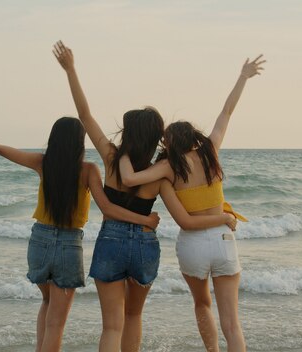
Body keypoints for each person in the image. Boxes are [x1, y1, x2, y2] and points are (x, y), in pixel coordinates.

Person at [53, 41, 237, 352]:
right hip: (144, 244)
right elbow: (183, 210)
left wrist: (71, 70)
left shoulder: (112, 158)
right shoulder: (161, 173)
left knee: (111, 325)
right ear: (156, 138)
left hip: (111, 242)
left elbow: (85, 115)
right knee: (134, 315)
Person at [0, 117, 160, 352]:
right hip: (69, 245)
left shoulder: (42, 163)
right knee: (56, 324)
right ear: (80, 143)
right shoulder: (88, 170)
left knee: (47, 302)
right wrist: (145, 220)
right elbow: (108, 208)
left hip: (39, 240)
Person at [118, 56, 266, 352]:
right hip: (224, 241)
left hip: (193, 247)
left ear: (170, 142)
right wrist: (243, 76)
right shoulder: (211, 151)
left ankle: (211, 351)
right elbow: (226, 111)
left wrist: (124, 153)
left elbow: (130, 179)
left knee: (202, 304)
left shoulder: (168, 166)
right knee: (232, 325)